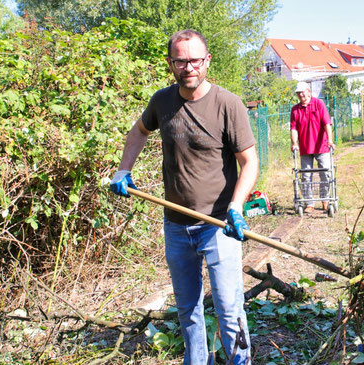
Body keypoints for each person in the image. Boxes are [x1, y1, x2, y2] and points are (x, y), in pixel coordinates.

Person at [109, 29, 258, 365]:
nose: (188, 67)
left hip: (218, 225)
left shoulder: (227, 104)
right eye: (181, 61)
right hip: (176, 227)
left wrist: (236, 207)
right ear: (170, 63)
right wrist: (123, 170)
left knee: (229, 308)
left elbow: (249, 162)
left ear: (206, 61)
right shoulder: (162, 102)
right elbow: (138, 133)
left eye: (195, 60)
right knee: (187, 310)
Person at [290, 81, 335, 213]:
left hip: (321, 146)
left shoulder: (319, 104)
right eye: (298, 93)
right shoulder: (295, 109)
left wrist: (330, 140)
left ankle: (325, 200)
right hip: (305, 148)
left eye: (302, 92)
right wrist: (294, 143)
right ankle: (309, 203)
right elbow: (293, 129)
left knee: (325, 173)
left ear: (308, 91)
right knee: (305, 176)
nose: (300, 95)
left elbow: (327, 123)